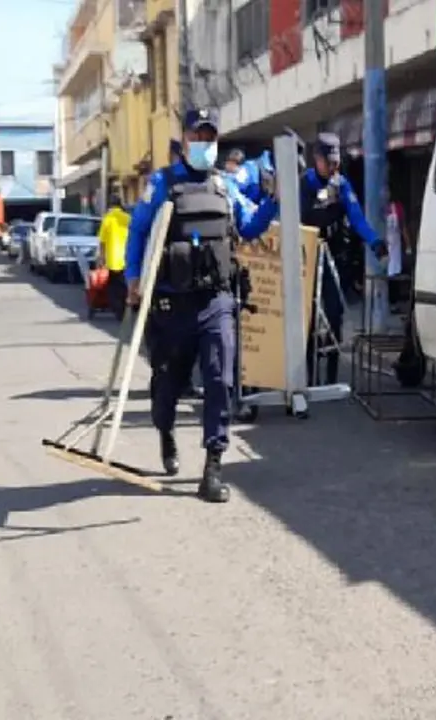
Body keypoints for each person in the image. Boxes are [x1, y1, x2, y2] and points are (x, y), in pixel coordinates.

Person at [125, 107, 279, 503]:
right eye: (198, 136)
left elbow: (248, 226)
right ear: (185, 139)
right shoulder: (162, 183)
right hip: (171, 303)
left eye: (211, 138)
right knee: (169, 383)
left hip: (216, 300)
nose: (205, 144)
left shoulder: (225, 186)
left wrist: (274, 201)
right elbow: (139, 232)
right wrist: (132, 279)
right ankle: (165, 429)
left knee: (219, 378)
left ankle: (213, 466)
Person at [299, 132, 386, 384]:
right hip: (309, 257)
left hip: (334, 258)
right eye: (329, 161)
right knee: (308, 319)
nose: (333, 166)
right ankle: (306, 377)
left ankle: (332, 379)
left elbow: (357, 217)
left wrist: (375, 242)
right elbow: (299, 217)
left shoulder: (342, 184)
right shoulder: (305, 183)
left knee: (334, 315)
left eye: (336, 161)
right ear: (317, 158)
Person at [98, 194, 130, 315]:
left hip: (112, 259)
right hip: (127, 258)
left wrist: (101, 258)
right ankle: (126, 307)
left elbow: (102, 241)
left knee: (114, 287)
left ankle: (118, 310)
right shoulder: (127, 218)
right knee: (124, 285)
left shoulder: (107, 219)